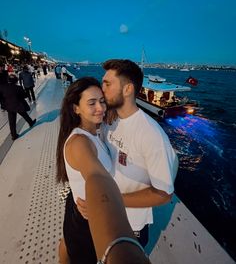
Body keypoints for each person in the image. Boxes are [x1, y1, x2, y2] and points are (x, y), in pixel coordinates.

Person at [77, 59, 178, 248]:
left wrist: (109, 200)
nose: (102, 89)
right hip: (106, 211)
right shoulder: (110, 118)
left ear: (127, 89)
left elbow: (164, 194)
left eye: (107, 84)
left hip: (130, 224)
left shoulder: (151, 135)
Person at [56, 77, 113, 264]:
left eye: (102, 101)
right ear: (76, 108)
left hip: (76, 206)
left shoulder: (93, 130)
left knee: (68, 245)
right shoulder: (80, 142)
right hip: (87, 218)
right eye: (92, 103)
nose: (101, 108)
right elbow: (97, 177)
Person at [85, 173, 151, 264]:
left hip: (133, 223)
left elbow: (164, 194)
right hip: (110, 215)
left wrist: (109, 199)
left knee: (128, 255)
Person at [0, 74, 36, 140]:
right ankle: (31, 123)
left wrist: (3, 105)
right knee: (24, 115)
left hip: (9, 106)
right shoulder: (18, 87)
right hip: (18, 105)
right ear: (16, 81)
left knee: (12, 121)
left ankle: (14, 135)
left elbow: (1, 97)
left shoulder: (2, 87)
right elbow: (24, 96)